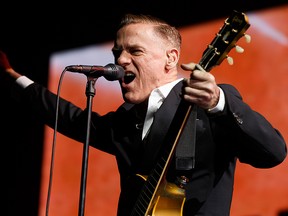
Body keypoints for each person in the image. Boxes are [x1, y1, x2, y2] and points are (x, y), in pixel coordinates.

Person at [0, 13, 287, 216]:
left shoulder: (208, 105)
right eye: (117, 51)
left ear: (170, 58)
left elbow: (272, 152)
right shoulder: (125, 121)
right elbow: (70, 118)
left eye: (134, 51)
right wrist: (14, 78)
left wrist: (219, 103)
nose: (120, 59)